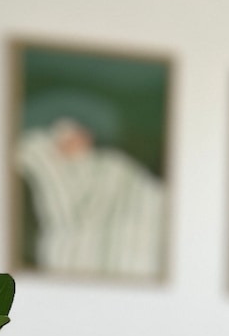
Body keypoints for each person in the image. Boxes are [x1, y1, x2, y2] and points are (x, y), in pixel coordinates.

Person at [15, 116, 165, 279]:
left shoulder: (110, 162)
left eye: (82, 135)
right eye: (71, 137)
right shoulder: (46, 154)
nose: (78, 140)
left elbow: (136, 184)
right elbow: (68, 212)